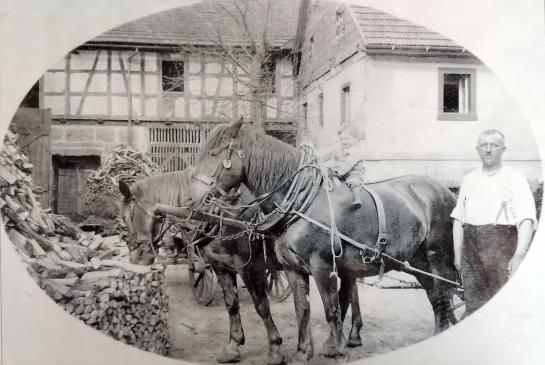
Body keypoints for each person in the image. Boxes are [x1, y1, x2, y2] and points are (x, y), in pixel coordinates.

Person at [450, 129, 537, 314]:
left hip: (501, 247)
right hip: (471, 250)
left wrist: (519, 254)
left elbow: (526, 219)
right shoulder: (469, 179)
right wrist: (458, 253)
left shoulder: (515, 179)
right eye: (484, 145)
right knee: (473, 304)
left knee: (502, 303)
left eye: (494, 145)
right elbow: (459, 219)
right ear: (478, 149)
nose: (488, 150)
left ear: (503, 149)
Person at [320, 122, 366, 208]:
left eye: (346, 139)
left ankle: (357, 199)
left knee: (353, 182)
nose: (344, 141)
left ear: (355, 138)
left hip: (353, 172)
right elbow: (330, 154)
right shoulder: (341, 147)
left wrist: (339, 172)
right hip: (340, 172)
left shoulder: (356, 151)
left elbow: (349, 164)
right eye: (341, 139)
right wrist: (321, 159)